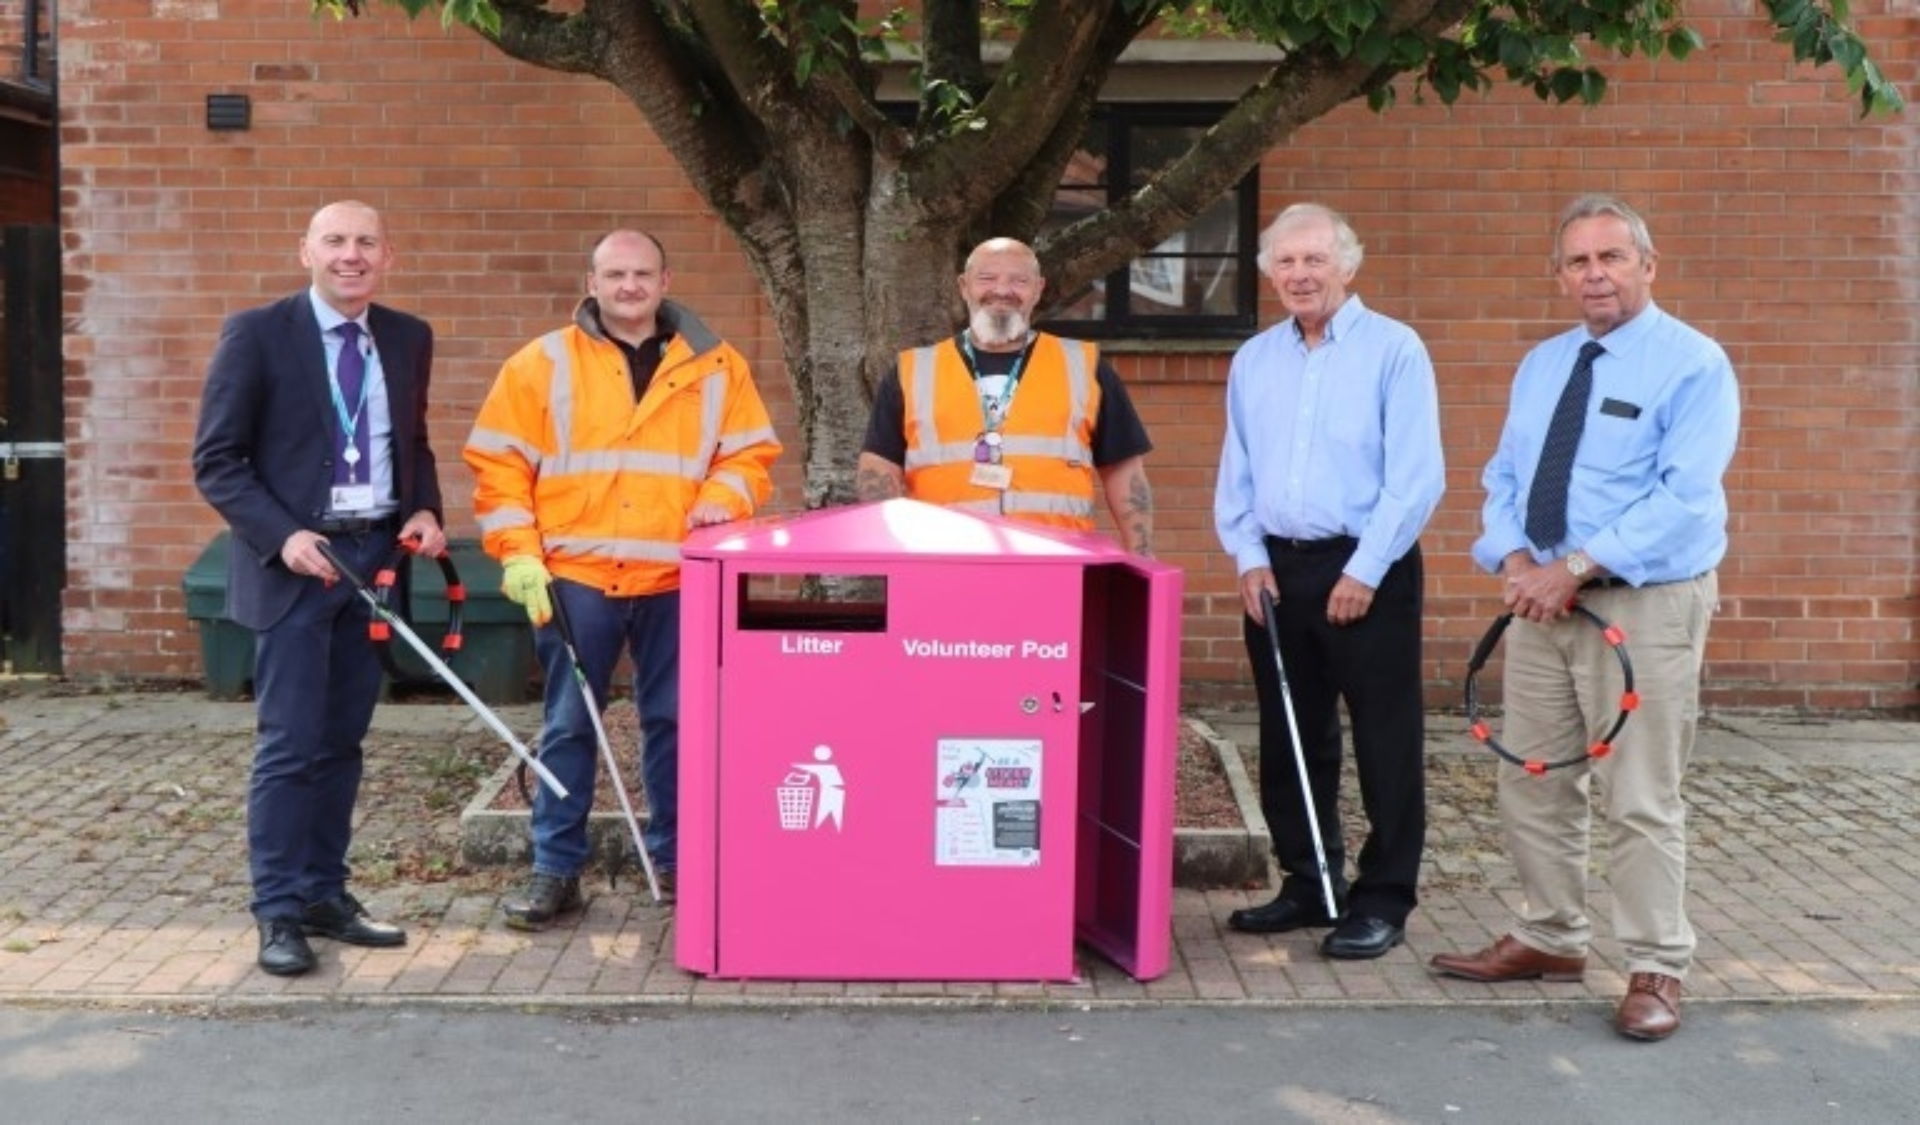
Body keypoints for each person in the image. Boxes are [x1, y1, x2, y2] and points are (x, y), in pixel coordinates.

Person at [1429, 195, 1739, 1043]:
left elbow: (1684, 497)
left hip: (1643, 605)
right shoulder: (1545, 363)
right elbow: (1503, 475)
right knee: (1532, 774)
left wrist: (1575, 565)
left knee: (1639, 793)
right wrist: (1519, 561)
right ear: (1559, 274)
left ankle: (1656, 963)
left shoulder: (1693, 364)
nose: (1595, 273)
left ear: (1648, 263)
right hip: (1542, 604)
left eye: (1611, 256)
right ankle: (1551, 936)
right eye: (1578, 261)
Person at [465, 229, 780, 930]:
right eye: (615, 274)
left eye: (641, 273)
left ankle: (677, 859)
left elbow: (751, 454)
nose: (629, 286)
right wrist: (519, 554)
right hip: (576, 576)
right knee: (571, 722)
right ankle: (555, 869)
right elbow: (499, 467)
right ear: (593, 280)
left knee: (676, 721)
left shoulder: (717, 366)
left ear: (665, 280)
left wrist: (725, 497)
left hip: (678, 575)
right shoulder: (541, 363)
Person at [192, 200, 447, 976]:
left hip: (373, 562)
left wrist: (427, 507)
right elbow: (219, 460)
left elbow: (413, 440)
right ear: (305, 249)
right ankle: (278, 911)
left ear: (388, 255)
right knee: (290, 745)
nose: (351, 255)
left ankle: (325, 895)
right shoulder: (258, 333)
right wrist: (284, 535)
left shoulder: (407, 337)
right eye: (335, 240)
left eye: (367, 241)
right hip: (297, 568)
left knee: (341, 743)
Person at [1213, 202, 1445, 961]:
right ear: (1269, 273)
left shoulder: (1394, 351)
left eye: (1315, 259)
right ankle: (1309, 882)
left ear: (1348, 264)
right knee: (1290, 733)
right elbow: (1236, 471)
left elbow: (1416, 478)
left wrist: (1365, 569)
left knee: (1384, 737)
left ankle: (1382, 898)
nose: (1300, 274)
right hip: (1277, 571)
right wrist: (1248, 556)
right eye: (1286, 262)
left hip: (1368, 566)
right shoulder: (1255, 360)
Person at [855, 237, 1154, 555]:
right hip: (941, 562)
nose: (1002, 290)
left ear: (1038, 289)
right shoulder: (912, 370)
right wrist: (891, 550)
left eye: (1019, 280)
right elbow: (879, 466)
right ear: (964, 286)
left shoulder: (1085, 366)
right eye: (987, 278)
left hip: (1057, 563)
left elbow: (1125, 471)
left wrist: (1141, 556)